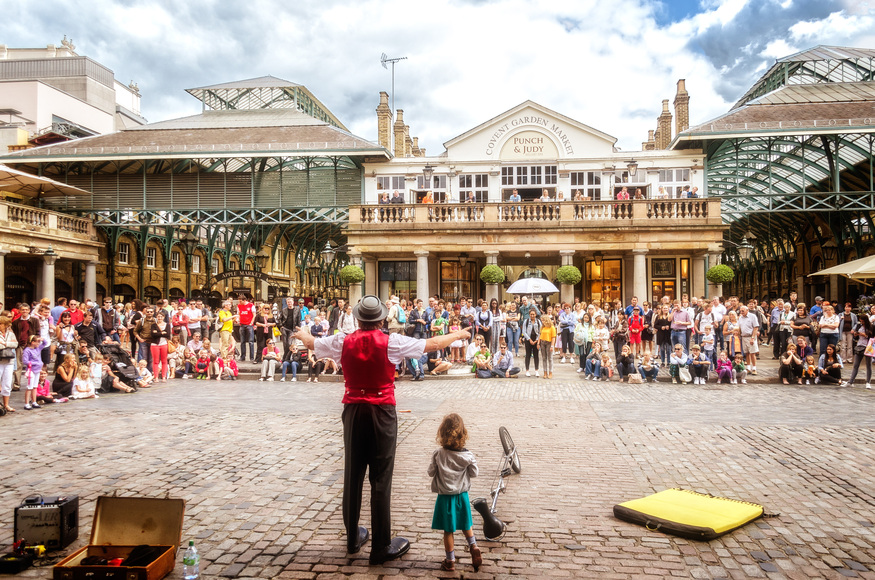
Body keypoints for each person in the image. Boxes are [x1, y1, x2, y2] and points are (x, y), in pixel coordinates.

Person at [294, 295, 468, 565]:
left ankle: (353, 538)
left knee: (353, 476)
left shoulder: (343, 340)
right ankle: (381, 546)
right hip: (382, 411)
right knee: (381, 478)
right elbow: (431, 344)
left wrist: (301, 331)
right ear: (381, 319)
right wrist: (459, 332)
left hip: (353, 409)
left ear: (358, 319)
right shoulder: (393, 342)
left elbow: (310, 343)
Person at [428, 413, 483, 573]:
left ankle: (450, 560)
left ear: (442, 433)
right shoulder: (467, 455)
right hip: (462, 496)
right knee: (467, 524)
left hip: (445, 498)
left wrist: (436, 466)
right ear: (462, 434)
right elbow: (474, 473)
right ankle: (473, 546)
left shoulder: (439, 454)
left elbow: (431, 472)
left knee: (448, 531)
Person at [843, 314, 873, 388]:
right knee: (856, 365)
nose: (861, 322)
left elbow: (871, 336)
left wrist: (864, 335)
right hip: (859, 345)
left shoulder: (871, 326)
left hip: (868, 346)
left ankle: (868, 382)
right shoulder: (859, 325)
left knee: (868, 365)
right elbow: (855, 335)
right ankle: (851, 381)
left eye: (863, 321)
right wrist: (856, 334)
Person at [521, 309, 542, 377]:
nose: (532, 316)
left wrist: (536, 340)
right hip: (528, 339)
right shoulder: (526, 321)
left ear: (535, 314)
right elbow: (524, 331)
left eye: (533, 314)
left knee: (536, 355)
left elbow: (540, 332)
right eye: (531, 314)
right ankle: (527, 370)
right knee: (528, 354)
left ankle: (536, 370)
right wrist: (529, 339)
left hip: (535, 339)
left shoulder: (538, 322)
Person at [539, 314, 556, 379]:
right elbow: (540, 335)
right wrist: (539, 343)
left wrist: (552, 345)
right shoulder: (542, 327)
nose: (542, 322)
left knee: (550, 358)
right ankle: (545, 372)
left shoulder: (552, 327)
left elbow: (553, 337)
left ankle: (550, 372)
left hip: (549, 343)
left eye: (543, 320)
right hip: (543, 342)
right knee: (544, 358)